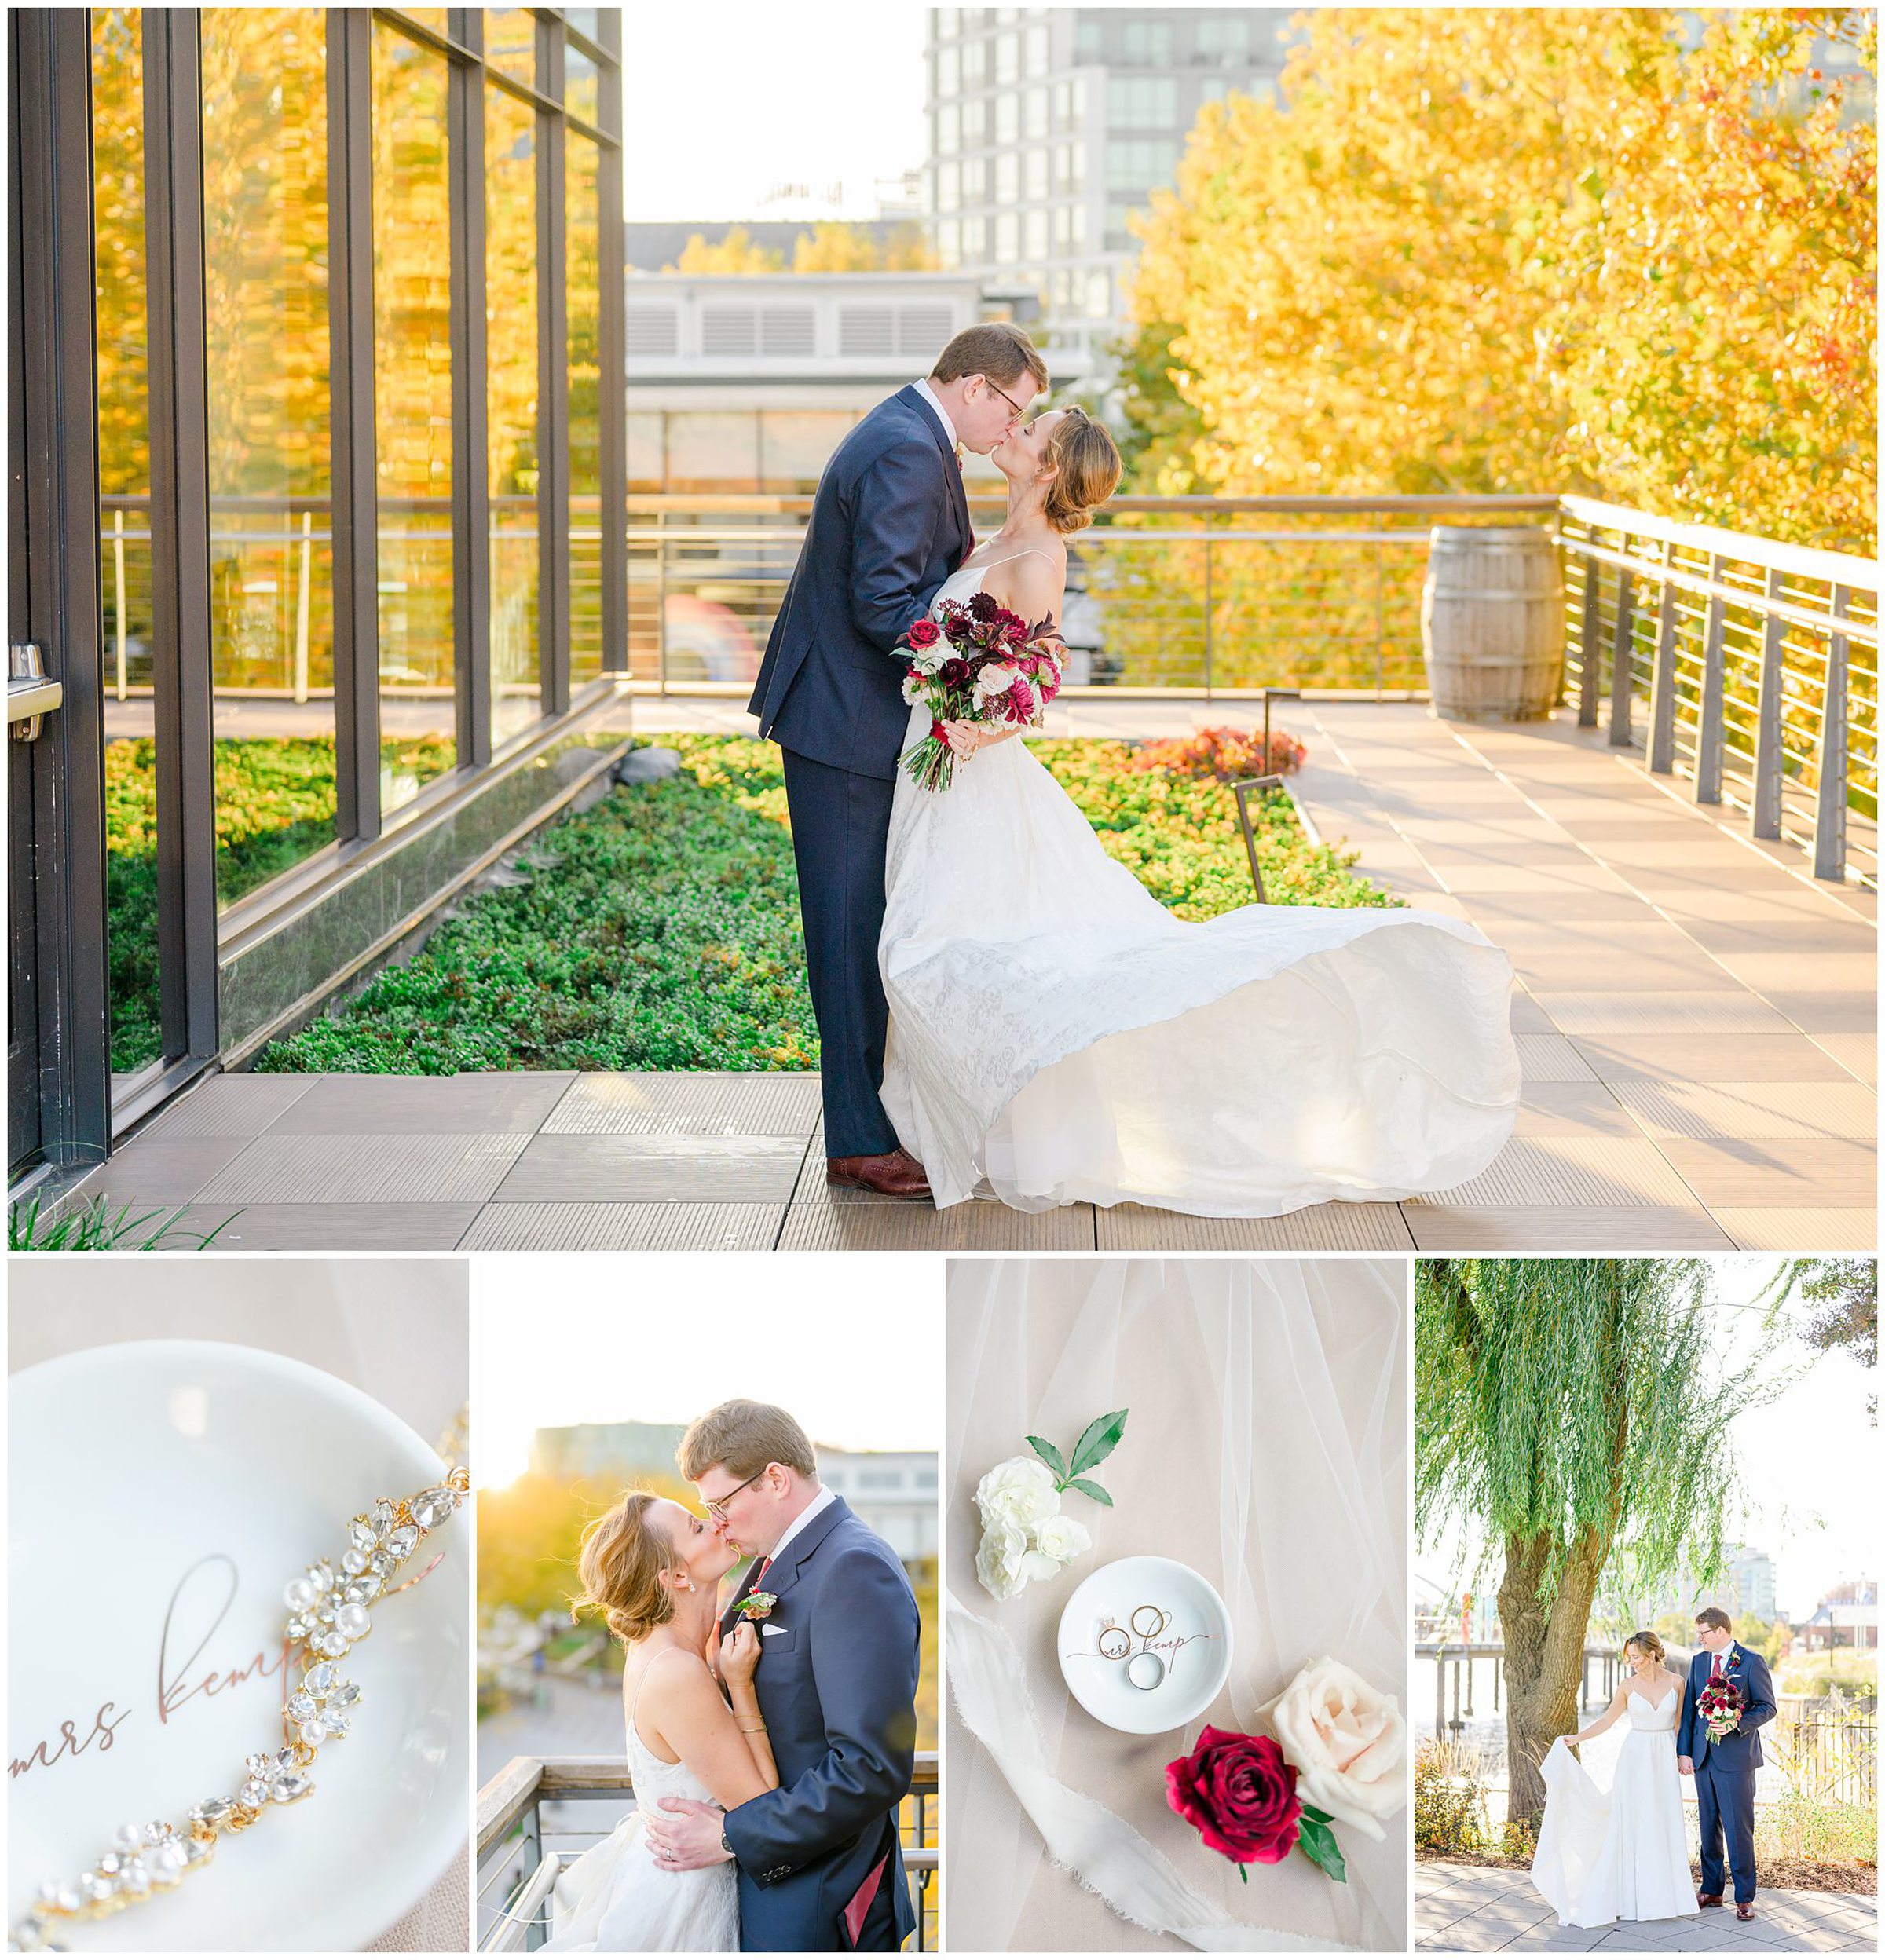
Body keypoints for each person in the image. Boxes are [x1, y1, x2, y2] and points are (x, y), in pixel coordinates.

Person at [875, 406, 1521, 1215]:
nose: (1014, 430)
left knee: (934, 955)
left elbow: (1036, 685)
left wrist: (979, 724)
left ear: (1046, 469)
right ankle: (954, 1120)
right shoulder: (988, 540)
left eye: (1030, 430)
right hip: (937, 776)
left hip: (969, 772)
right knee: (937, 941)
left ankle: (965, 1125)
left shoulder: (1039, 558)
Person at [748, 324, 1048, 1201]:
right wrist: (972, 662)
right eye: (1014, 409)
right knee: (846, 934)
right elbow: (884, 603)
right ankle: (858, 1144)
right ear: (978, 389)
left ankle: (873, 1121)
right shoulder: (907, 452)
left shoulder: (909, 435)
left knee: (868, 926)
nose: (1012, 429)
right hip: (842, 728)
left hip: (852, 722)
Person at [642, 1401, 921, 1952]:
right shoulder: (774, 1560)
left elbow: (870, 1768)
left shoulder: (853, 1569)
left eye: (720, 1504)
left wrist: (729, 1834)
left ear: (773, 1479)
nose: (717, 1524)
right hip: (768, 1892)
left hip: (820, 1900)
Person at [539, 1492, 773, 1951]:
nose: (713, 1521)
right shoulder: (675, 1671)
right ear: (676, 1575)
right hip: (678, 1906)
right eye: (696, 1526)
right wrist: (740, 1685)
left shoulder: (667, 1650)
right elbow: (763, 1805)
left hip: (675, 1876)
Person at [1530, 1629, 1697, 1929]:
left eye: (1635, 1657)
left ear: (1652, 1654)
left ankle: (1665, 1897)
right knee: (1633, 1823)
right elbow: (1607, 1721)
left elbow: (1680, 1725)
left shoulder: (1677, 1683)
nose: (1631, 1662)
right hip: (1634, 1759)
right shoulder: (1627, 1686)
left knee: (1663, 1821)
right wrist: (1576, 1738)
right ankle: (1629, 1897)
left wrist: (1682, 1755)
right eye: (1628, 1657)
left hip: (1663, 1756)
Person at [1677, 1606, 1776, 1922]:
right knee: (1708, 1827)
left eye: (1703, 1633)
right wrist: (1685, 1752)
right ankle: (1712, 1889)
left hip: (1736, 1759)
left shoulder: (1750, 1662)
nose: (1699, 1639)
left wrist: (1736, 1723)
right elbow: (1690, 1712)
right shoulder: (1698, 1662)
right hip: (1703, 1758)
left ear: (1721, 1631)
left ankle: (1745, 1897)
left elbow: (1767, 1707)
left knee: (1738, 1829)